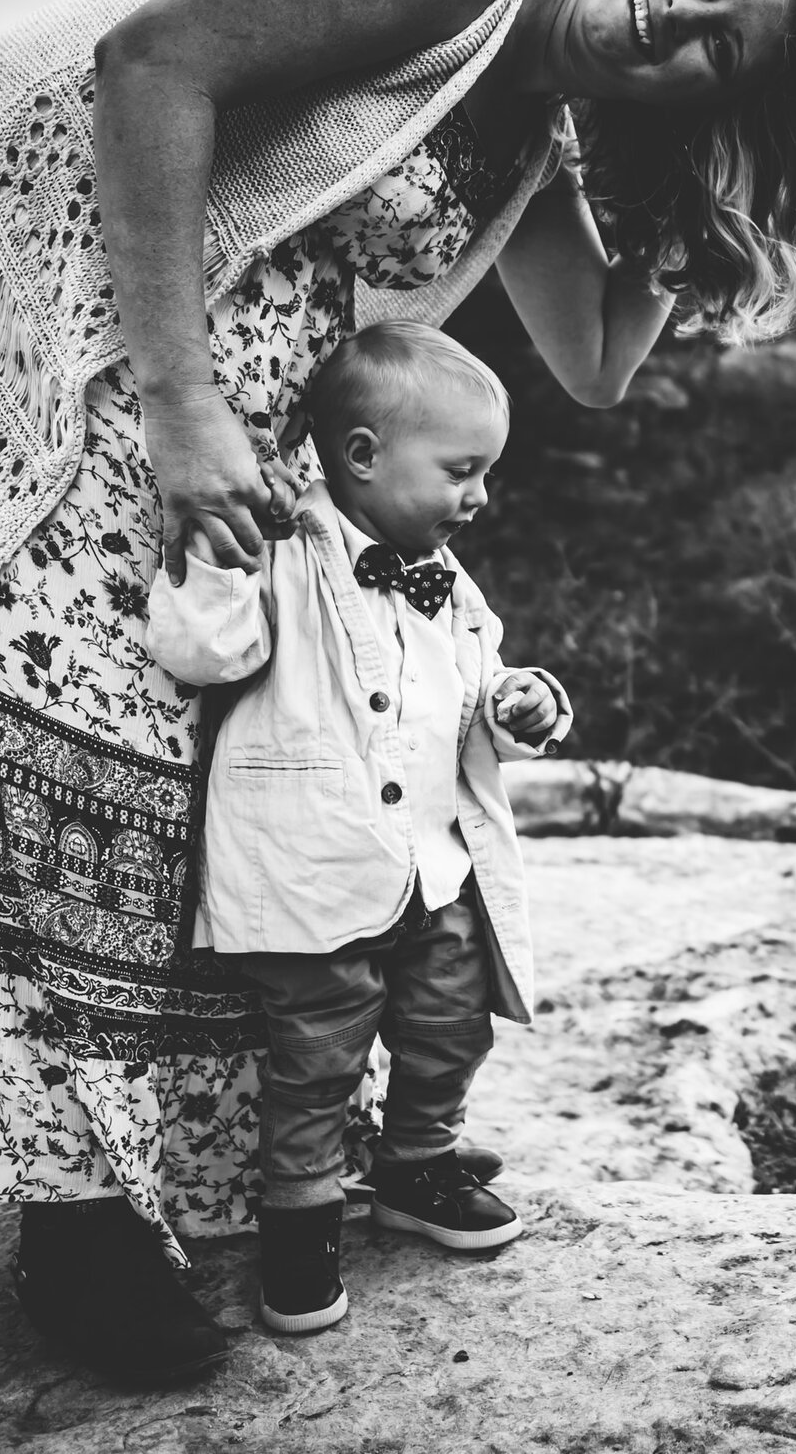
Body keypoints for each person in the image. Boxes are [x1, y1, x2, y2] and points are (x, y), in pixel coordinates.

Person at [0, 0, 796, 1382]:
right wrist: (181, 404)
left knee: (216, 745)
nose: (668, 6)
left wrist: (706, 204)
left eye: (716, 45)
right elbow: (151, 65)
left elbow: (597, 356)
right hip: (58, 311)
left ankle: (158, 1163)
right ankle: (76, 1216)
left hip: (188, 369)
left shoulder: (535, 128)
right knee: (98, 729)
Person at [145, 320, 562, 1336]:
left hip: (432, 872)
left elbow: (471, 695)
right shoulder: (282, 545)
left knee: (453, 1024)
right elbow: (204, 654)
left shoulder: (451, 584)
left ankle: (418, 1162)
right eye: (462, 470)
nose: (480, 496)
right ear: (365, 456)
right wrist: (219, 556)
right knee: (315, 1062)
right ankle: (298, 1227)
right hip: (312, 878)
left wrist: (517, 703)